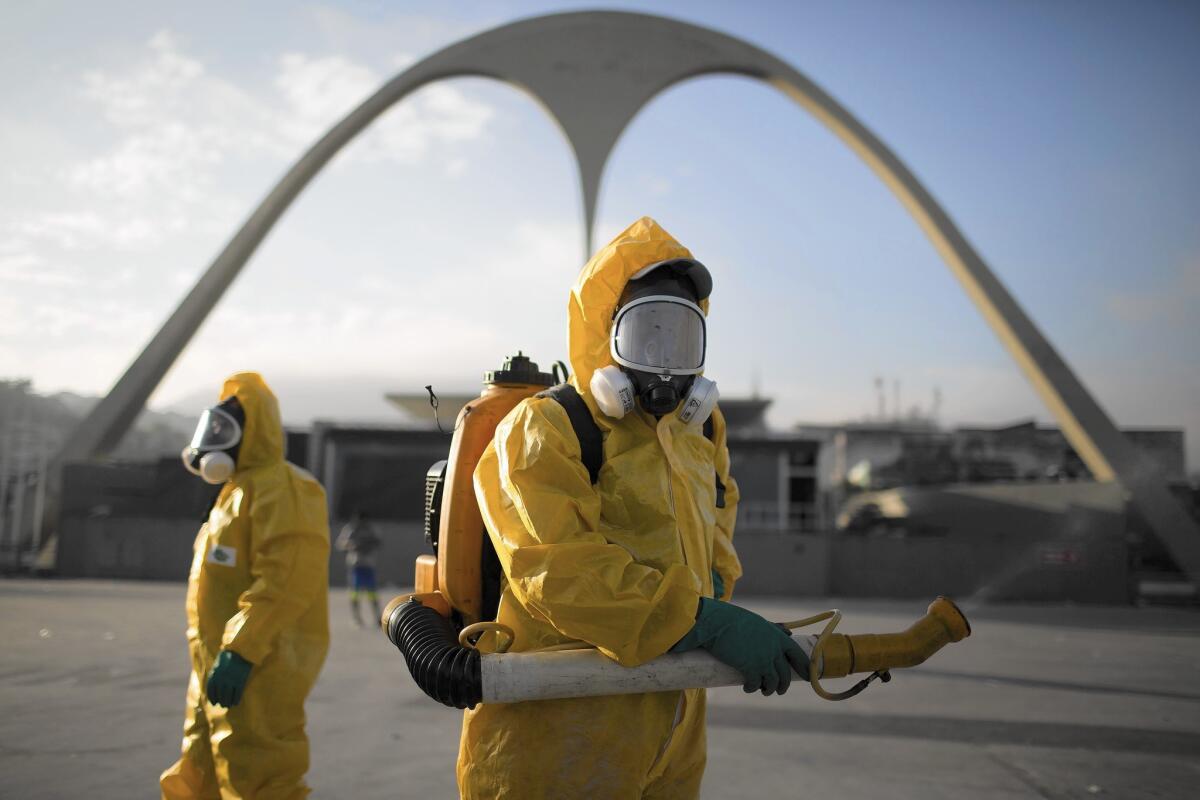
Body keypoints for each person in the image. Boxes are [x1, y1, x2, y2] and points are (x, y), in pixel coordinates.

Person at [457, 217, 808, 798]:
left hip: (674, 721)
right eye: (646, 332)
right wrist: (703, 621)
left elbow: (717, 544)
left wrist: (716, 604)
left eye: (680, 335)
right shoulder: (546, 427)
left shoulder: (699, 436)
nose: (663, 358)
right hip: (558, 735)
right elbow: (556, 569)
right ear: (604, 333)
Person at [161, 372, 330, 800]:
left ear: (253, 432)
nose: (212, 441)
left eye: (224, 430)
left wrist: (242, 649)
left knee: (259, 773)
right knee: (201, 770)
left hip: (259, 665)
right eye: (210, 429)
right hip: (216, 665)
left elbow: (286, 579)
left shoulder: (284, 489)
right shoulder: (235, 493)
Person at [336, 510, 383, 626]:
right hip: (356, 565)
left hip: (368, 565)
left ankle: (377, 617)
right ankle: (356, 617)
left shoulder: (371, 529)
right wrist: (353, 545)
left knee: (373, 593)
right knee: (355, 593)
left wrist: (368, 545)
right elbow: (341, 544)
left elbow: (378, 542)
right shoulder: (350, 529)